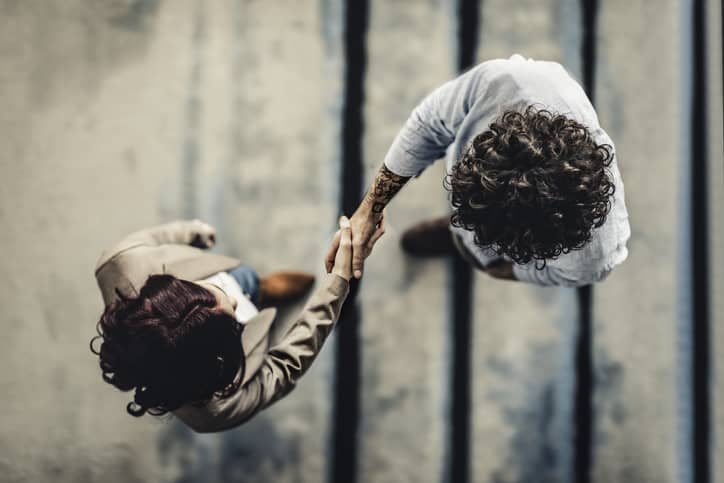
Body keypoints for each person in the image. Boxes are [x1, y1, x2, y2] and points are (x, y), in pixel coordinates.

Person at [326, 54, 630, 287]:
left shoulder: (593, 258)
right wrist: (369, 209)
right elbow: (428, 124)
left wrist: (501, 269)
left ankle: (459, 242)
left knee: (475, 250)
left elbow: (564, 274)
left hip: (507, 251)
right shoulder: (507, 82)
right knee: (469, 236)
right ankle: (457, 236)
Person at [92, 217, 369, 433]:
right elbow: (284, 368)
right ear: (212, 365)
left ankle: (263, 288)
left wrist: (191, 231)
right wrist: (336, 286)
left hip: (219, 287)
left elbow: (152, 239)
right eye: (232, 320)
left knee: (244, 280)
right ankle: (261, 292)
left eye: (208, 290)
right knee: (245, 293)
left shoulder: (120, 261)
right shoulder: (216, 411)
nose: (234, 302)